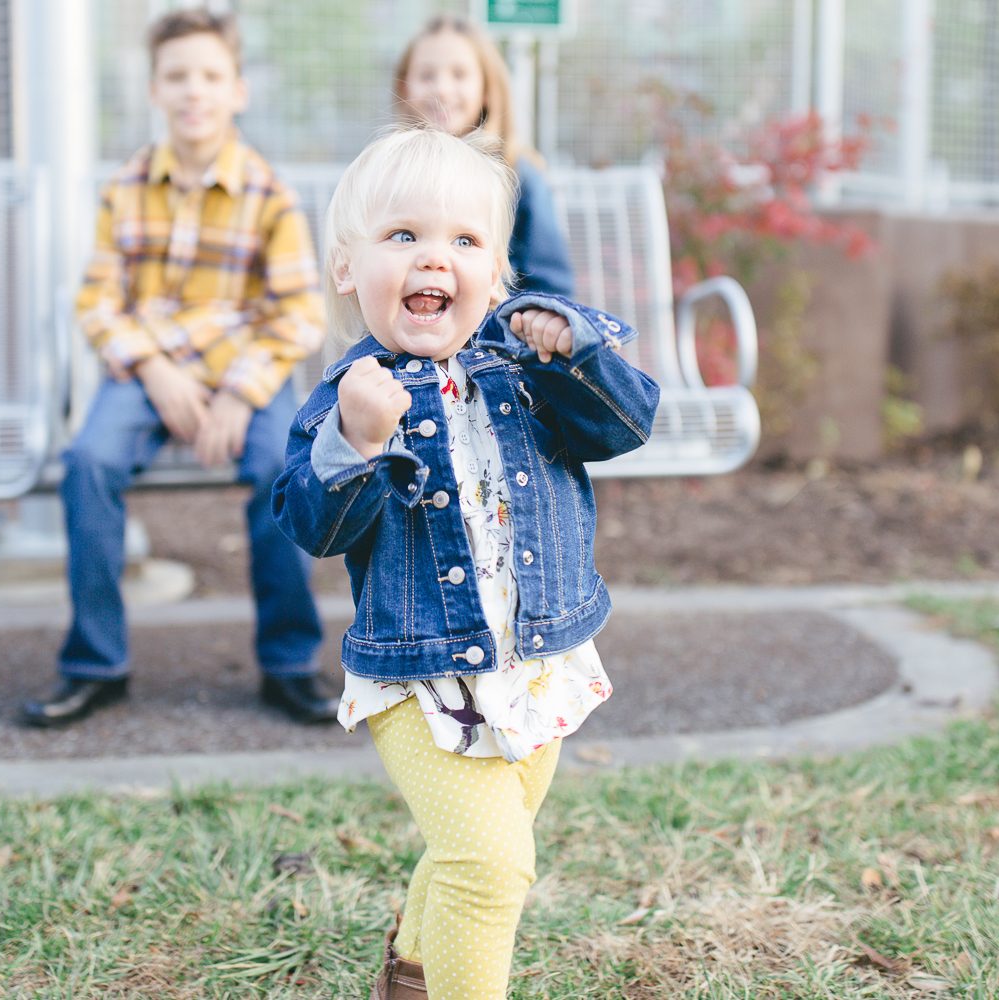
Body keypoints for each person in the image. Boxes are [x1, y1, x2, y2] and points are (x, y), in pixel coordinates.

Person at [272, 126, 659, 1000]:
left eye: (464, 240)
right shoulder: (349, 400)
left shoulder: (532, 366)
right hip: (421, 676)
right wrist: (355, 444)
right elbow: (312, 527)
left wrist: (580, 356)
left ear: (497, 277)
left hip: (536, 658)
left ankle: (409, 972)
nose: (433, 259)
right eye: (403, 237)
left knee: (473, 852)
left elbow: (626, 426)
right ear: (348, 269)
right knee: (490, 869)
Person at [21, 8, 334, 727]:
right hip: (147, 369)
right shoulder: (126, 187)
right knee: (89, 464)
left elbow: (297, 314)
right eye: (177, 77)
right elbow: (98, 301)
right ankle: (96, 663)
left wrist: (239, 392)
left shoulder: (267, 193)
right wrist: (155, 369)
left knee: (286, 471)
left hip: (242, 373)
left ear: (238, 90)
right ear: (155, 90)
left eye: (210, 76)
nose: (195, 91)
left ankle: (288, 663)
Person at [394, 15, 576, 297]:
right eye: (427, 75)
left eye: (459, 74)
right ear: (405, 86)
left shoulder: (520, 176)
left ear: (487, 90)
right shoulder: (391, 174)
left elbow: (550, 287)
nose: (441, 89)